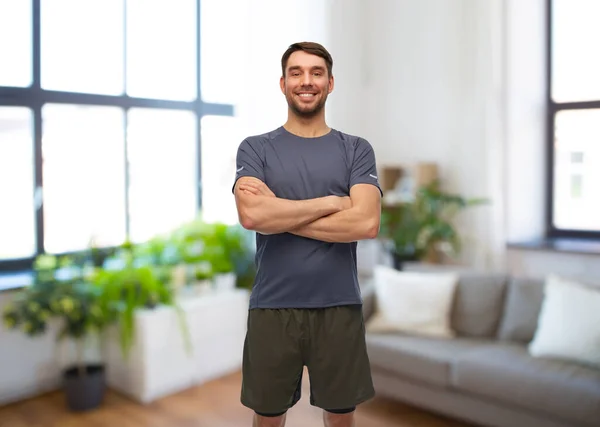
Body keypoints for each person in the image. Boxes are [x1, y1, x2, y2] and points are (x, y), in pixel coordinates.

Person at [232, 41, 382, 427]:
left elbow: (366, 223)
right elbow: (251, 214)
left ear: (330, 83)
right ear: (282, 83)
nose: (306, 81)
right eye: (296, 72)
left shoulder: (356, 150)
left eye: (316, 72)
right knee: (267, 418)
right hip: (272, 307)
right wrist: (333, 202)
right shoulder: (256, 148)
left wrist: (279, 212)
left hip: (339, 306)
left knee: (340, 419)